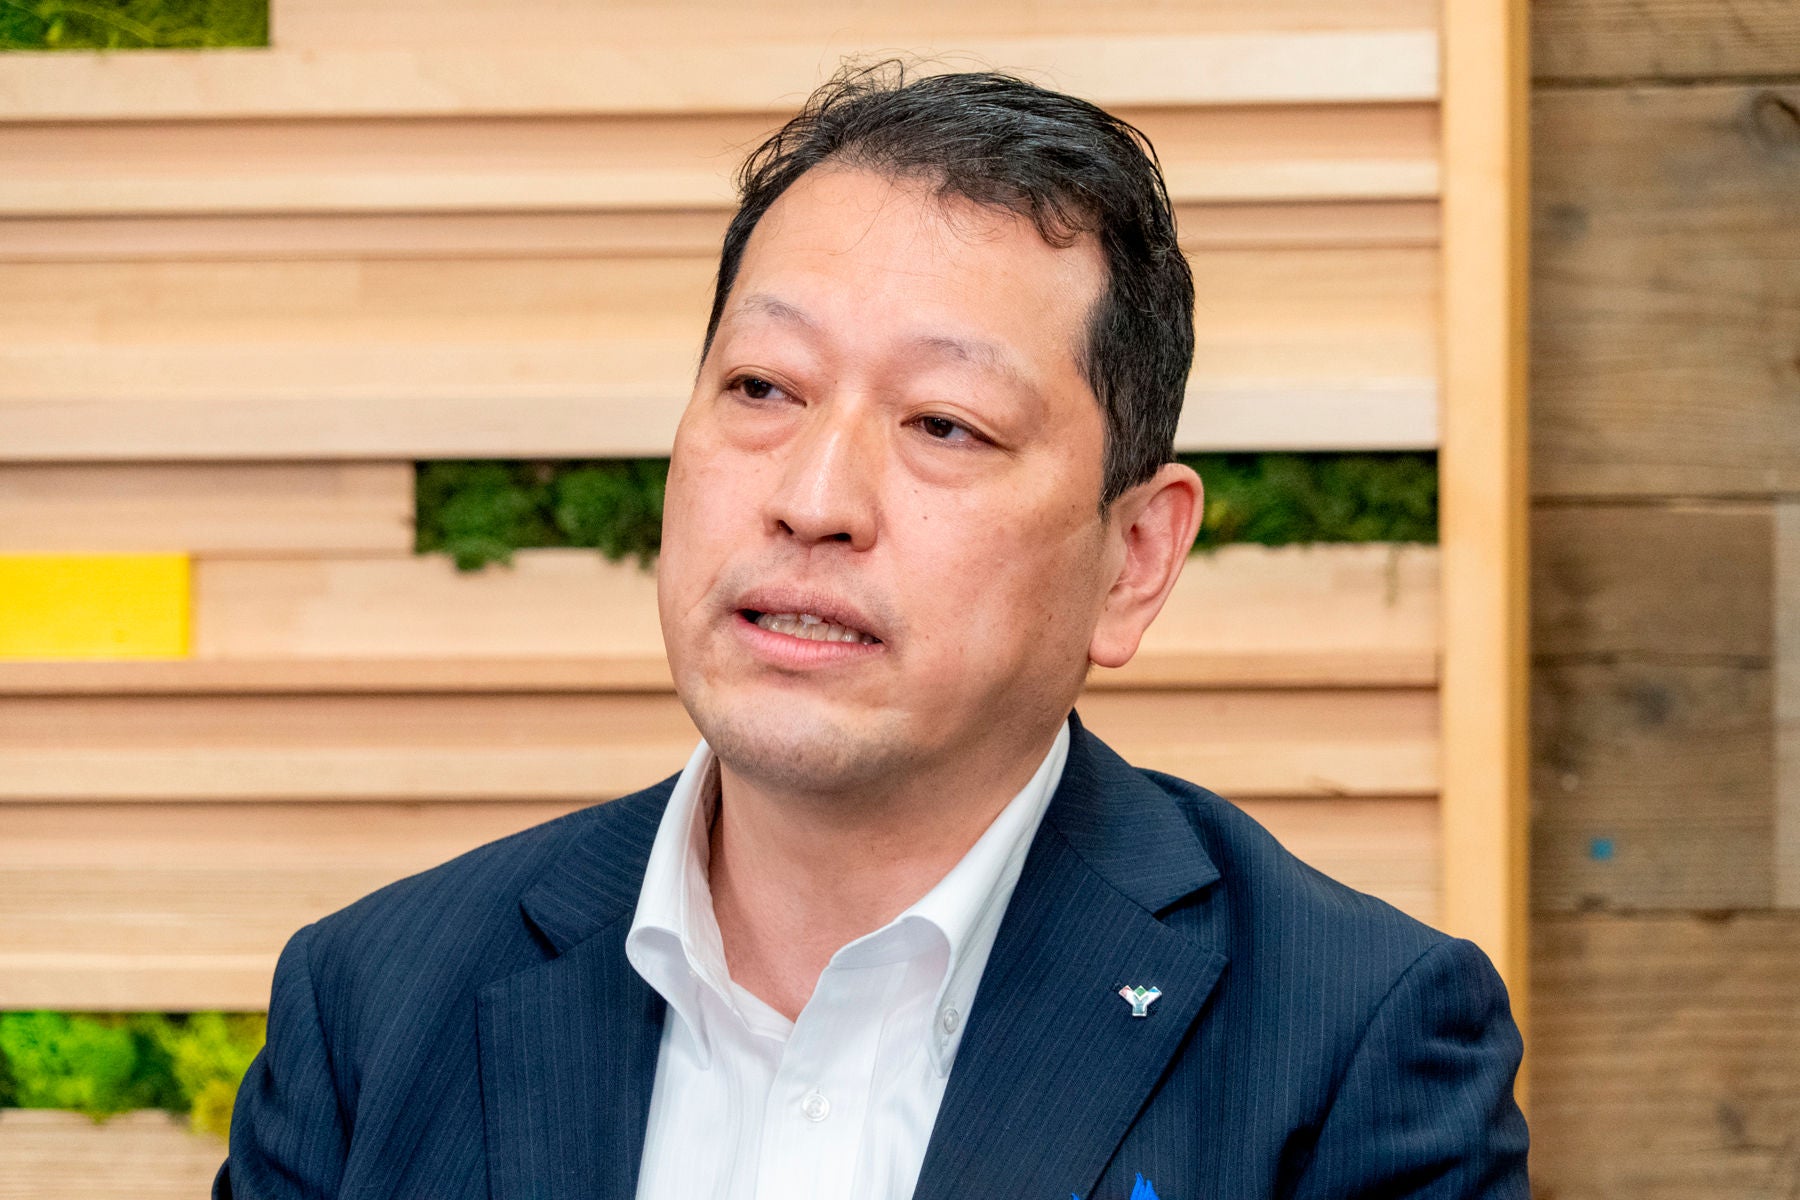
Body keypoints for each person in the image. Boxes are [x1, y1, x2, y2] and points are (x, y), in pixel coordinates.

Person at [216, 65, 1528, 1200]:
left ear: (1133, 559)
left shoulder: (1350, 1044)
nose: (814, 499)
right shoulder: (372, 1005)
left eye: (944, 423)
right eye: (762, 388)